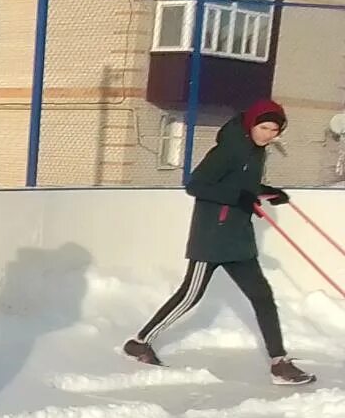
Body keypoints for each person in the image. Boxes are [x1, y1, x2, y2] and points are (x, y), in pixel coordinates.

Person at [125, 99, 315, 385]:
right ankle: (140, 342)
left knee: (262, 296)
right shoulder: (228, 149)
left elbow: (243, 188)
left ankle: (279, 362)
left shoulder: (257, 152)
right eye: (264, 127)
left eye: (274, 130)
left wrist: (267, 192)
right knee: (191, 295)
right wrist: (238, 197)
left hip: (238, 237)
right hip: (213, 235)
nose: (268, 134)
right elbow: (196, 185)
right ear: (252, 123)